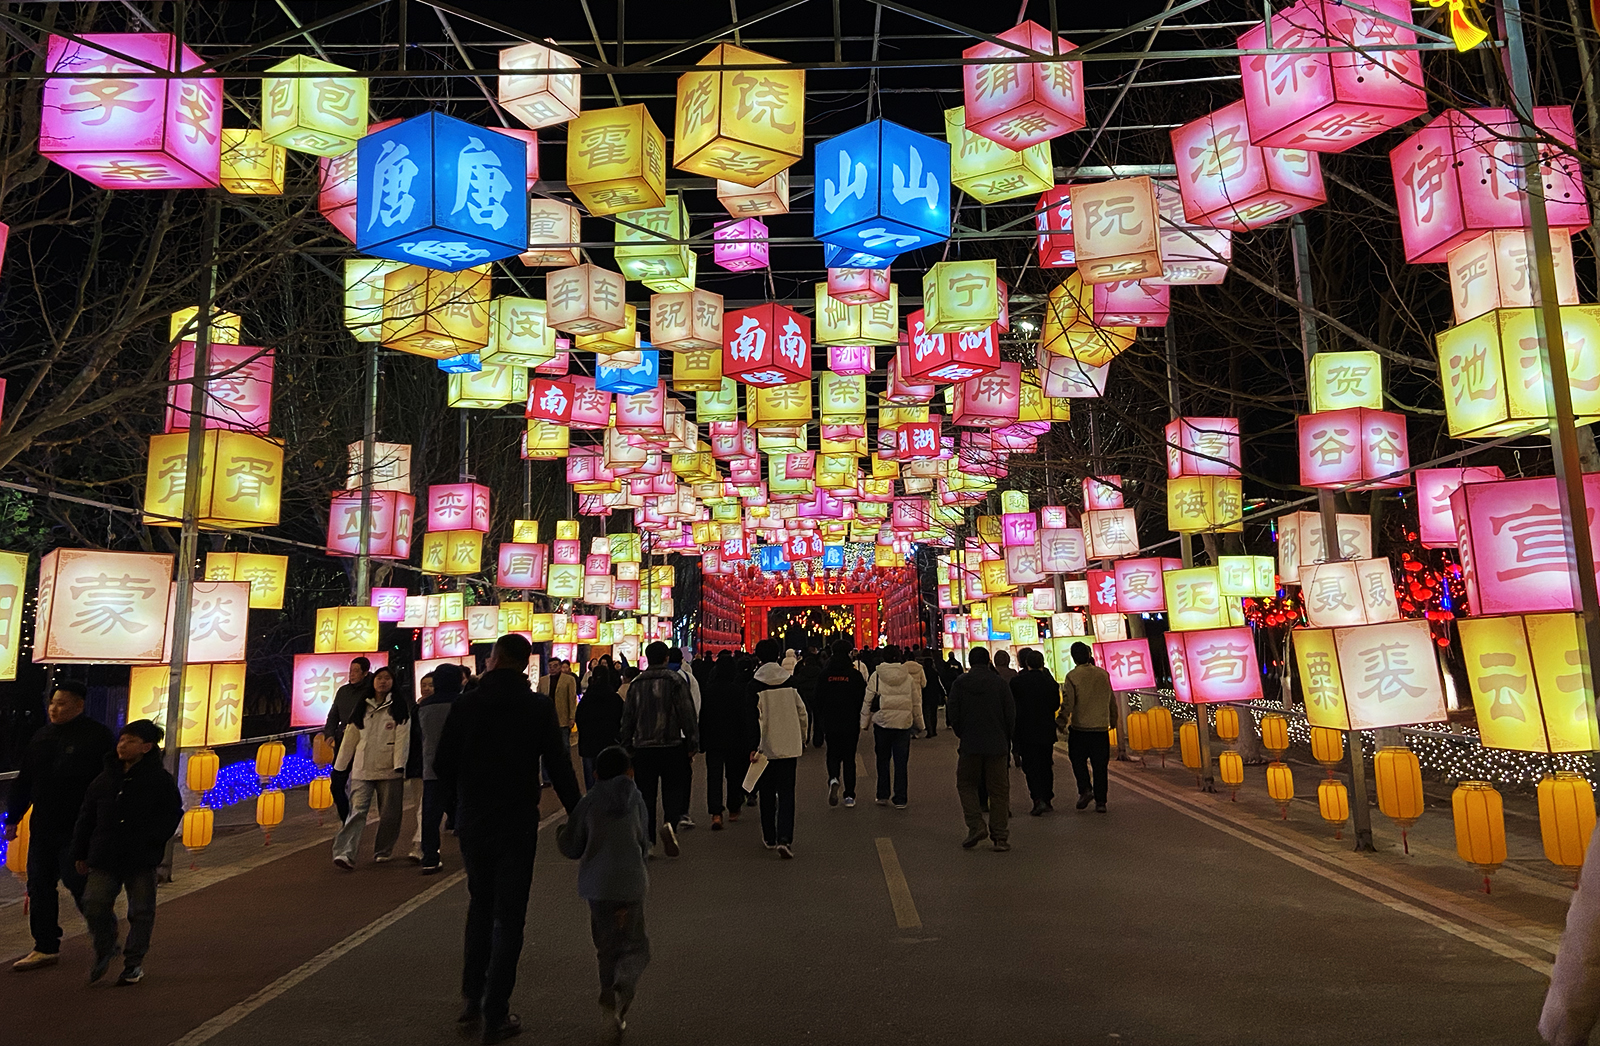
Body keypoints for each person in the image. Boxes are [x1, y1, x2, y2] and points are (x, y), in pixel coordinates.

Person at [434, 634, 582, 1045]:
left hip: (474, 818)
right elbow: (559, 764)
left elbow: (442, 762)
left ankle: (472, 995)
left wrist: (454, 808)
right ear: (526, 664)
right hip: (517, 819)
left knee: (480, 903)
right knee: (510, 915)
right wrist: (579, 814)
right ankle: (495, 1011)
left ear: (495, 659)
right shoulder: (535, 706)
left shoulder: (468, 703)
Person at [6, 679, 116, 972]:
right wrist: (13, 818)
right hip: (43, 826)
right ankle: (45, 946)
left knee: (79, 884)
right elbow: (25, 780)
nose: (54, 709)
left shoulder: (98, 737)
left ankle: (105, 936)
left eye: (62, 703)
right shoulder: (41, 736)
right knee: (39, 885)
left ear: (79, 705)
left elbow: (109, 784)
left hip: (79, 828)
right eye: (52, 703)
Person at [72, 718, 183, 986]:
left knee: (141, 911)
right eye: (122, 739)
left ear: (146, 747)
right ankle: (107, 945)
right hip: (104, 854)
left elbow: (172, 814)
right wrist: (80, 852)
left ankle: (134, 963)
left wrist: (153, 841)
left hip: (140, 857)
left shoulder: (159, 780)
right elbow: (86, 817)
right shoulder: (104, 778)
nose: (122, 745)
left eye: (130, 741)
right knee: (94, 903)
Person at [557, 746, 652, 1046]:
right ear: (630, 772)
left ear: (596, 774)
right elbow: (643, 839)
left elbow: (572, 845)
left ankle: (608, 995)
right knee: (636, 945)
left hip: (598, 888)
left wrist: (561, 832)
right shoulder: (636, 799)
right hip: (631, 885)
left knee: (606, 946)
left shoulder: (588, 802)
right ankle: (623, 987)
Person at [618, 642, 699, 857]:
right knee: (673, 789)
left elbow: (628, 718)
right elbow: (686, 713)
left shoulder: (637, 683)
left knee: (646, 794)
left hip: (643, 747)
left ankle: (648, 841)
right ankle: (670, 823)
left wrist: (626, 746)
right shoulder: (675, 681)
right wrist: (692, 743)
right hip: (672, 744)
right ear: (665, 658)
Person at [331, 666, 411, 869]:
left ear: (393, 682)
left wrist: (400, 764)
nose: (382, 682)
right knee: (356, 811)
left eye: (387, 678)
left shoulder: (400, 707)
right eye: (379, 678)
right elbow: (351, 736)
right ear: (373, 681)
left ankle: (383, 850)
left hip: (389, 769)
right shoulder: (362, 707)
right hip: (362, 767)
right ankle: (345, 853)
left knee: (390, 813)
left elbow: (403, 739)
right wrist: (340, 766)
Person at [945, 647, 1015, 852]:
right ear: (987, 662)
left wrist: (962, 733)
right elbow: (1010, 714)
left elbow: (953, 712)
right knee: (999, 791)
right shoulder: (999, 684)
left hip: (970, 743)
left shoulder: (960, 683)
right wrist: (1006, 737)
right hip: (997, 744)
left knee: (966, 784)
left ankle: (976, 825)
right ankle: (1000, 837)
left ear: (970, 661)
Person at [750, 638, 809, 858]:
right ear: (777, 656)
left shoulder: (754, 685)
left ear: (758, 657)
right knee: (786, 793)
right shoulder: (790, 683)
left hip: (765, 747)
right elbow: (802, 712)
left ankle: (769, 836)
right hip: (788, 746)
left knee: (766, 793)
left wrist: (752, 746)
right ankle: (785, 838)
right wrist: (802, 738)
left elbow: (752, 719)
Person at [698, 651, 758, 829]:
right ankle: (733, 808)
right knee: (734, 774)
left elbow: (704, 717)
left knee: (714, 776)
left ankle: (716, 813)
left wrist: (701, 740)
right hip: (735, 739)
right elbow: (744, 717)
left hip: (713, 739)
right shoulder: (739, 691)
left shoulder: (708, 691)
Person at [861, 647, 924, 809]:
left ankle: (882, 794)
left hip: (882, 723)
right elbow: (916, 702)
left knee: (882, 760)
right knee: (901, 762)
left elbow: (868, 700)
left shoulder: (876, 676)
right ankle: (900, 797)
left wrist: (864, 723)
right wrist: (920, 724)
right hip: (903, 724)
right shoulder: (908, 677)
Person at [415, 664, 463, 874]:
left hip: (432, 766)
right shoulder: (464, 703)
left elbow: (418, 737)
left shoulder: (423, 707)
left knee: (431, 814)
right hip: (463, 766)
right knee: (467, 806)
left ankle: (430, 856)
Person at [1058, 642, 1117, 813]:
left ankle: (1085, 789)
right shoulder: (1103, 674)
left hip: (1080, 728)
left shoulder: (1072, 676)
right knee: (1100, 766)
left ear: (1073, 657)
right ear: (1089, 654)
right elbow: (1111, 699)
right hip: (1100, 728)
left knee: (1077, 761)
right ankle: (1101, 802)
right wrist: (1113, 719)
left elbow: (1068, 703)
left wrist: (1061, 722)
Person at [1010, 648, 1062, 816]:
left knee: (1031, 766)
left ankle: (1037, 798)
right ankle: (1047, 798)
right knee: (1046, 764)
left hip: (1026, 730)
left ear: (1026, 663)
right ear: (1042, 663)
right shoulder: (1050, 682)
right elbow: (1055, 705)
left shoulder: (1017, 683)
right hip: (1046, 729)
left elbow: (1014, 707)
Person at [815, 641, 866, 809]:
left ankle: (833, 778)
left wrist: (821, 719)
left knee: (833, 754)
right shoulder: (854, 675)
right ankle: (849, 795)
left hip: (831, 721)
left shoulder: (825, 675)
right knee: (850, 758)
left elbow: (818, 700)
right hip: (850, 721)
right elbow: (861, 698)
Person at [322, 657, 373, 824]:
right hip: (343, 741)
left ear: (365, 673)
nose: (351, 674)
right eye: (350, 671)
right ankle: (346, 819)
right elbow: (333, 715)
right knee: (336, 784)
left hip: (365, 743)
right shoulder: (343, 691)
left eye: (356, 671)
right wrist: (329, 734)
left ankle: (357, 819)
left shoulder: (372, 692)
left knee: (360, 786)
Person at [666, 646, 703, 829]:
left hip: (654, 736)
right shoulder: (688, 679)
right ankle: (681, 813)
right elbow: (694, 709)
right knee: (682, 775)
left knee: (661, 777)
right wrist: (692, 737)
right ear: (682, 660)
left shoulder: (648, 678)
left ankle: (660, 820)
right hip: (680, 735)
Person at [577, 656, 624, 790]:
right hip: (610, 741)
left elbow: (579, 718)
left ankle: (592, 801)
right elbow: (621, 718)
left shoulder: (587, 699)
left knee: (591, 776)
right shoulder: (614, 698)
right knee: (610, 775)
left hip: (588, 743)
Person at [918, 651, 946, 738]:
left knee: (926, 713)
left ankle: (929, 729)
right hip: (934, 695)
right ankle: (933, 730)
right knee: (934, 713)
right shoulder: (935, 672)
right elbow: (938, 683)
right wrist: (942, 693)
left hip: (925, 695)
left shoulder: (923, 672)